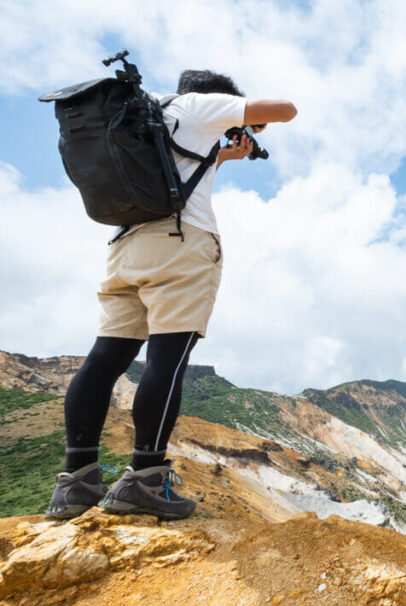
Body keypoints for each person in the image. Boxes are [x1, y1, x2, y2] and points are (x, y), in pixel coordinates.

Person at [45, 69, 297, 521]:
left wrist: (225, 155)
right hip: (180, 247)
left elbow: (176, 176)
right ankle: (144, 479)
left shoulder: (150, 111)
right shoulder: (199, 105)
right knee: (167, 360)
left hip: (126, 246)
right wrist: (249, 119)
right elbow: (287, 110)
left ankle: (75, 482)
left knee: (104, 360)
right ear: (216, 95)